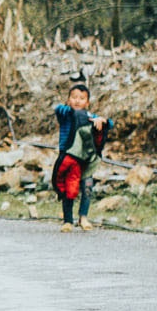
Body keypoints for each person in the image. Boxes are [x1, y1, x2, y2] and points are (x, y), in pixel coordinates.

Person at [52, 71, 110, 231]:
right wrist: (77, 113)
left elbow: (109, 123)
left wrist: (102, 121)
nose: (77, 101)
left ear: (87, 102)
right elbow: (59, 109)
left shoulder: (90, 116)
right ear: (68, 99)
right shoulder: (65, 114)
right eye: (74, 97)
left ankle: (83, 217)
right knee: (67, 187)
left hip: (85, 157)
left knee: (87, 186)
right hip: (68, 156)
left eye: (81, 98)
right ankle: (67, 220)